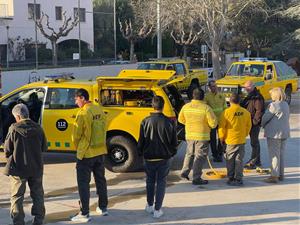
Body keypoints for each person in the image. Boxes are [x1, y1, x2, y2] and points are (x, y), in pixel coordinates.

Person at [4, 103, 47, 225]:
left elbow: (7, 150)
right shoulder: (38, 128)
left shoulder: (13, 128)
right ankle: (38, 221)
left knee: (17, 197)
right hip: (36, 168)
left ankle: (18, 222)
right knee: (38, 195)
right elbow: (44, 147)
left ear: (17, 116)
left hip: (19, 169)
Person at [70, 88, 108, 223]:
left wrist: (78, 148)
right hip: (100, 151)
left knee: (83, 184)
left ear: (82, 98)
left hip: (86, 153)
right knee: (100, 180)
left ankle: (84, 213)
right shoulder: (98, 109)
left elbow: (76, 135)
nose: (76, 102)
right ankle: (103, 207)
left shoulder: (83, 113)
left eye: (76, 99)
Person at [137, 96, 177, 218]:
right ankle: (157, 209)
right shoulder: (169, 122)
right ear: (163, 106)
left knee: (150, 181)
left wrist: (141, 153)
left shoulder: (145, 121)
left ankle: (149, 205)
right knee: (161, 182)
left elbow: (141, 142)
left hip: (149, 157)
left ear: (152, 106)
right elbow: (174, 142)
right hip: (164, 158)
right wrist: (171, 152)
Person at [178, 88, 217, 185]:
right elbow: (213, 124)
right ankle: (196, 178)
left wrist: (189, 123)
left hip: (190, 135)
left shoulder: (186, 107)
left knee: (189, 154)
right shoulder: (206, 108)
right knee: (199, 156)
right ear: (203, 97)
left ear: (192, 96)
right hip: (202, 137)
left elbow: (180, 120)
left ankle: (184, 172)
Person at [219, 94, 252, 186]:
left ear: (230, 101)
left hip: (230, 141)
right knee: (239, 160)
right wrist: (244, 134)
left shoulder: (226, 112)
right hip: (241, 140)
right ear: (239, 101)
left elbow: (222, 127)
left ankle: (231, 177)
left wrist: (221, 138)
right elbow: (249, 126)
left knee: (230, 160)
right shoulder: (246, 112)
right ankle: (239, 178)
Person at [261, 87, 290, 183]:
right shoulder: (285, 104)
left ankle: (274, 176)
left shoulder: (273, 105)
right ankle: (281, 174)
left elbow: (265, 118)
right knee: (281, 154)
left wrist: (262, 124)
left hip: (274, 134)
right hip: (284, 132)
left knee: (274, 155)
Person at [241, 81, 265, 169]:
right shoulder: (249, 95)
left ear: (252, 86)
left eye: (247, 87)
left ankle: (253, 162)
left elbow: (259, 111)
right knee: (254, 143)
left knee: (254, 143)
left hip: (254, 124)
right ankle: (257, 161)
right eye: (245, 87)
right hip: (249, 122)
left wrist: (254, 122)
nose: (245, 89)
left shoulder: (257, 97)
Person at [204, 80, 227, 162]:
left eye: (215, 86)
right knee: (212, 139)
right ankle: (215, 155)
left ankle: (220, 153)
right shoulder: (206, 96)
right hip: (212, 121)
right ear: (209, 87)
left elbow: (225, 108)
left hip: (221, 120)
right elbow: (205, 108)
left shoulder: (221, 95)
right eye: (213, 86)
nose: (215, 87)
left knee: (221, 138)